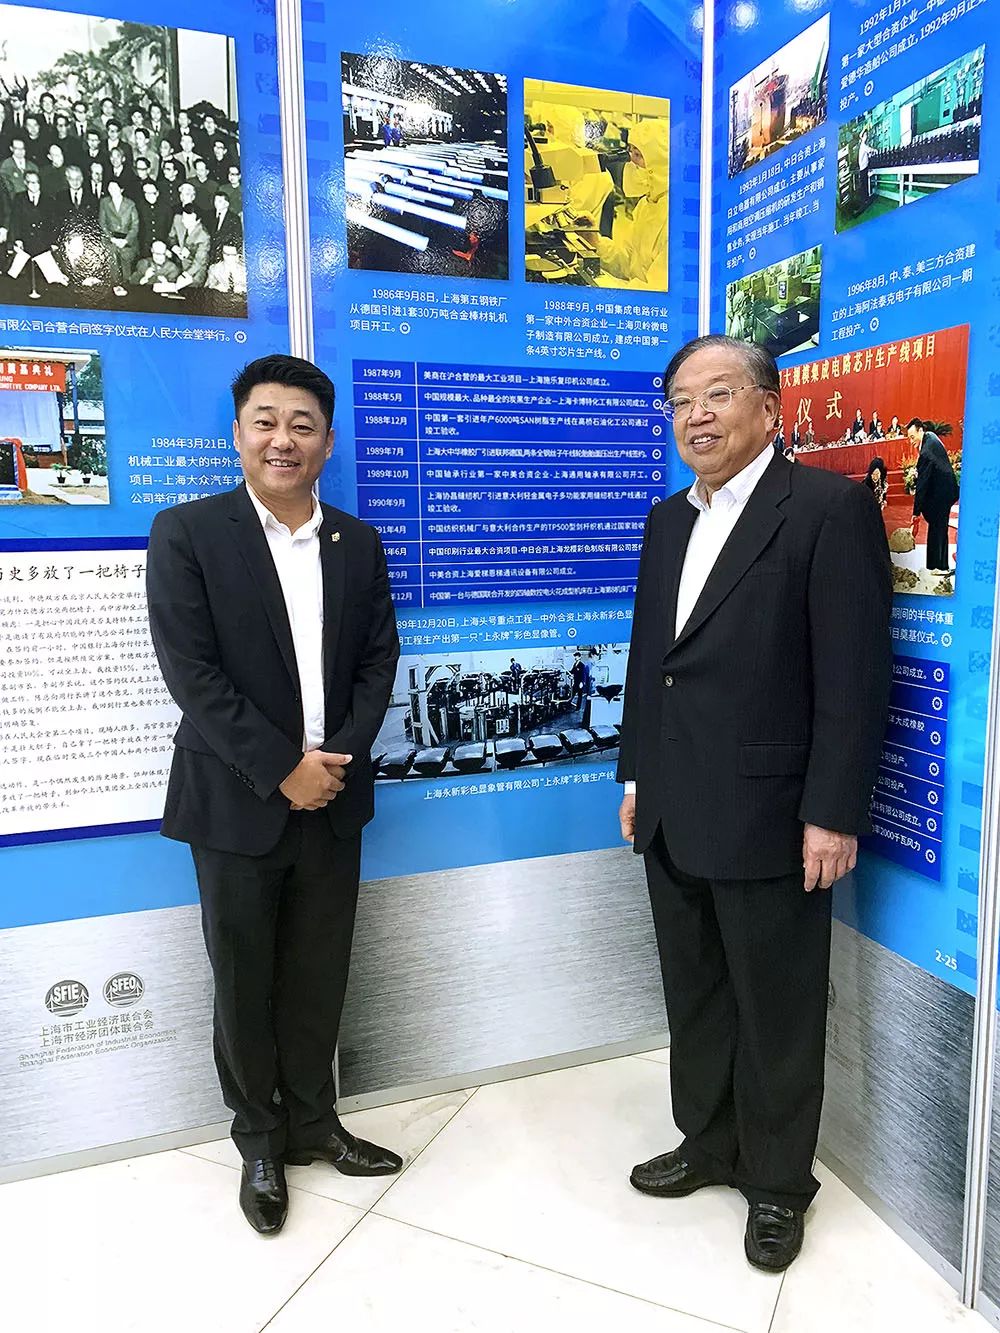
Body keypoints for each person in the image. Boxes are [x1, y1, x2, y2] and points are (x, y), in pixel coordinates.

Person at [617, 335, 891, 1273]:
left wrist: (833, 811)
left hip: (773, 815)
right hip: (672, 806)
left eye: (718, 394)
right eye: (680, 401)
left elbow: (854, 677)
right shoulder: (667, 520)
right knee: (695, 993)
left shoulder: (825, 509)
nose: (696, 415)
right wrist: (635, 775)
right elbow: (652, 660)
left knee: (777, 1008)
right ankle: (708, 1141)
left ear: (769, 408)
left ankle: (777, 1183)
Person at [146, 354, 403, 1237]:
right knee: (244, 974)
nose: (282, 439)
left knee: (320, 970)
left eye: (302, 424)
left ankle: (315, 1122)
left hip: (334, 795)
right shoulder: (188, 532)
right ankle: (258, 1138)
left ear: (327, 441)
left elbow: (378, 660)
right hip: (234, 799)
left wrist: (333, 760)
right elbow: (193, 674)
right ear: (239, 434)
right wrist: (282, 767)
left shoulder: (356, 542)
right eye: (265, 421)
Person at [593, 117, 668, 290]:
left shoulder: (678, 218)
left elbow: (656, 291)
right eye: (631, 153)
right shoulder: (645, 206)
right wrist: (594, 242)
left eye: (638, 155)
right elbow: (627, 261)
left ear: (660, 163)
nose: (631, 162)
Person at [907, 418, 959, 574]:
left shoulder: (926, 452)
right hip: (945, 491)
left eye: (912, 437)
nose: (911, 441)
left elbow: (922, 484)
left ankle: (935, 568)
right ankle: (940, 565)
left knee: (936, 530)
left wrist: (916, 513)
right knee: (939, 530)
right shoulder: (930, 437)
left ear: (920, 430)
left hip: (941, 495)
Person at [98, 177, 138, 296]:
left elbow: (135, 225)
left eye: (115, 188)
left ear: (121, 189)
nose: (112, 190)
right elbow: (102, 223)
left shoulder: (130, 204)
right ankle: (114, 286)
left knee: (126, 256)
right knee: (111, 255)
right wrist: (111, 238)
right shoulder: (104, 202)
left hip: (127, 240)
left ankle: (127, 286)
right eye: (110, 188)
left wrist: (126, 240)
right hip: (111, 238)